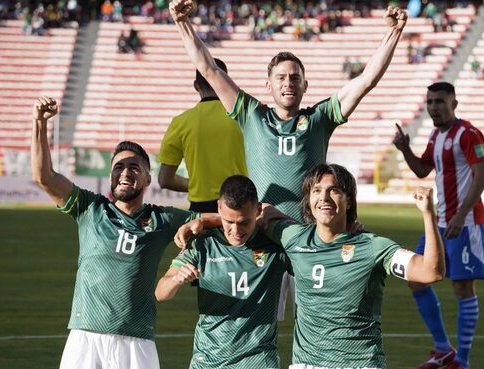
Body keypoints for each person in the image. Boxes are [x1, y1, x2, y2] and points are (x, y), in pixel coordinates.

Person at [169, 0, 407, 318]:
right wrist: (183, 22)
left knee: (320, 322)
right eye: (280, 78)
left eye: (295, 78)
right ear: (268, 85)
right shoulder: (251, 115)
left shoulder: (321, 118)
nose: (288, 83)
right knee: (253, 326)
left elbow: (365, 82)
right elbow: (210, 70)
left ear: (305, 85)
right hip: (261, 240)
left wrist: (393, 32)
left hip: (309, 239)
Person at [175, 163, 446, 369]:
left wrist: (428, 216)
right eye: (317, 191)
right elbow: (255, 213)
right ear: (309, 200)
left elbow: (431, 271)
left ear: (349, 199)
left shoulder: (372, 247)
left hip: (359, 363)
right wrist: (205, 220)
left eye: (334, 190)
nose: (324, 198)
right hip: (306, 364)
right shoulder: (292, 237)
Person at [31, 96, 197, 369]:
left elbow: (222, 219)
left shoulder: (164, 219)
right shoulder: (90, 208)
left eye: (135, 167)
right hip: (86, 337)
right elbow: (44, 177)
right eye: (118, 166)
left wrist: (202, 222)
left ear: (147, 179)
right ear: (110, 175)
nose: (125, 172)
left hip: (137, 342)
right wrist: (39, 123)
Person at [393, 82, 484, 369]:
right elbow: (423, 169)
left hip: (466, 223)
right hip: (439, 223)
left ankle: (463, 359)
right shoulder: (436, 135)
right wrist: (405, 149)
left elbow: (482, 175)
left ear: (454, 104)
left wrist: (461, 215)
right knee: (416, 278)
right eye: (430, 102)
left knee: (463, 289)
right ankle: (442, 348)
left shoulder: (469, 134)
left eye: (440, 102)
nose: (434, 107)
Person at [155, 175, 291, 368]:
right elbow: (160, 293)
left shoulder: (275, 244)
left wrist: (282, 217)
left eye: (244, 222)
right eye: (229, 222)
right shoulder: (203, 243)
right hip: (209, 361)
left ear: (258, 210)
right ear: (219, 208)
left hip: (258, 361)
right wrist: (176, 278)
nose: (236, 230)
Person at [157, 58, 248, 213]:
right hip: (241, 205)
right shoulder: (245, 118)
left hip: (201, 210)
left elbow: (165, 180)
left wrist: (197, 184)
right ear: (225, 82)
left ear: (196, 86)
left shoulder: (180, 123)